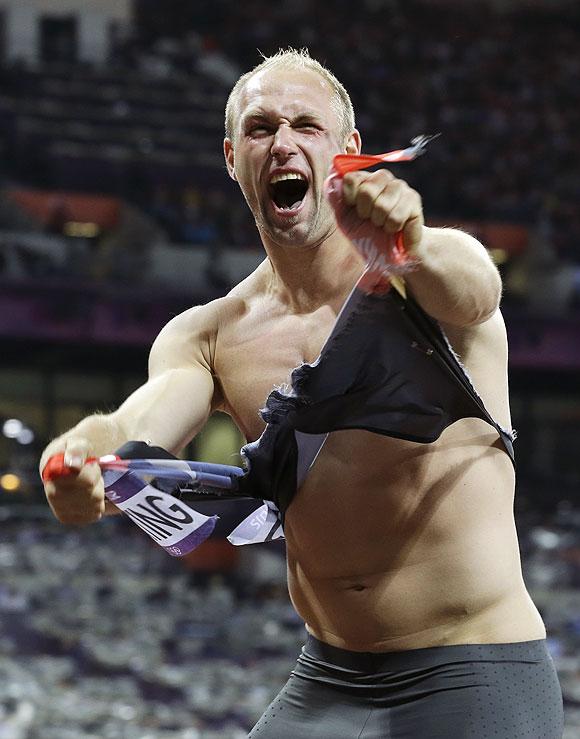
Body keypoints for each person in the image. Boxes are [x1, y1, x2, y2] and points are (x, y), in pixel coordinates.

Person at [40, 50, 564, 738]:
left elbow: (477, 291)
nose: (282, 141)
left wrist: (408, 244)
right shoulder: (211, 333)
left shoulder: (422, 271)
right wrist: (80, 457)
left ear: (347, 152)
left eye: (305, 126)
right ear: (233, 158)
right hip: (330, 677)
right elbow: (143, 417)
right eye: (260, 129)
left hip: (474, 667)